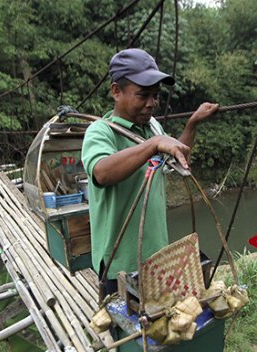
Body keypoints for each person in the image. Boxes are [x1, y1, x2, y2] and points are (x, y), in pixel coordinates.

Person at [82, 48, 218, 298]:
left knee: (157, 329)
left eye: (155, 96)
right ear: (116, 91)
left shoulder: (152, 127)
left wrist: (192, 124)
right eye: (142, 95)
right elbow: (101, 172)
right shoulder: (101, 132)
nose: (151, 104)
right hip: (119, 265)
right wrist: (153, 144)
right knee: (124, 331)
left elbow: (177, 159)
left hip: (157, 257)